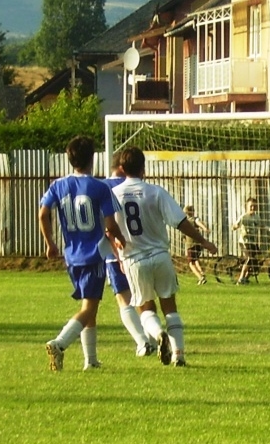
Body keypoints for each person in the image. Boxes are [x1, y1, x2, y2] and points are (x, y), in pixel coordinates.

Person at [111, 146, 218, 367]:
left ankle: (159, 335)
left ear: (121, 169)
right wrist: (204, 241)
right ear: (143, 168)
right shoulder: (155, 191)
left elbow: (108, 228)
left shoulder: (114, 195)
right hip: (160, 256)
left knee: (145, 308)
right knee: (170, 306)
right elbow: (180, 221)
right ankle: (178, 354)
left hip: (134, 259)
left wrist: (118, 251)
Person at [38, 135, 128, 372]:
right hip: (93, 255)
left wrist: (50, 243)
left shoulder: (58, 185)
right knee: (89, 308)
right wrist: (121, 239)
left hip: (71, 257)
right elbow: (110, 223)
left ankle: (91, 360)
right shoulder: (100, 187)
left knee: (91, 307)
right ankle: (59, 343)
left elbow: (42, 214)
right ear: (93, 158)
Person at [104, 154, 154, 357]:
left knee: (123, 300)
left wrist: (117, 255)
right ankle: (154, 337)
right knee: (145, 300)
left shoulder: (104, 188)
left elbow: (108, 227)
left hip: (115, 253)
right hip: (145, 252)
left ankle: (143, 342)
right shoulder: (142, 186)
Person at [232, 197, 270, 285]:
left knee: (257, 261)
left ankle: (246, 278)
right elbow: (235, 226)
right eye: (251, 206)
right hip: (244, 241)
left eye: (254, 206)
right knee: (250, 258)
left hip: (253, 242)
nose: (253, 208)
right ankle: (240, 278)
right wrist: (235, 227)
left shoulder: (257, 217)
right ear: (246, 207)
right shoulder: (244, 217)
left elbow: (261, 226)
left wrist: (269, 229)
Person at [183, 205, 210, 285]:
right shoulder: (193, 219)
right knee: (196, 260)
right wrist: (204, 228)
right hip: (198, 244)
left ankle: (200, 277)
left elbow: (198, 223)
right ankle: (202, 273)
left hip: (191, 245)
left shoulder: (187, 221)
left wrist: (204, 228)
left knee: (191, 263)